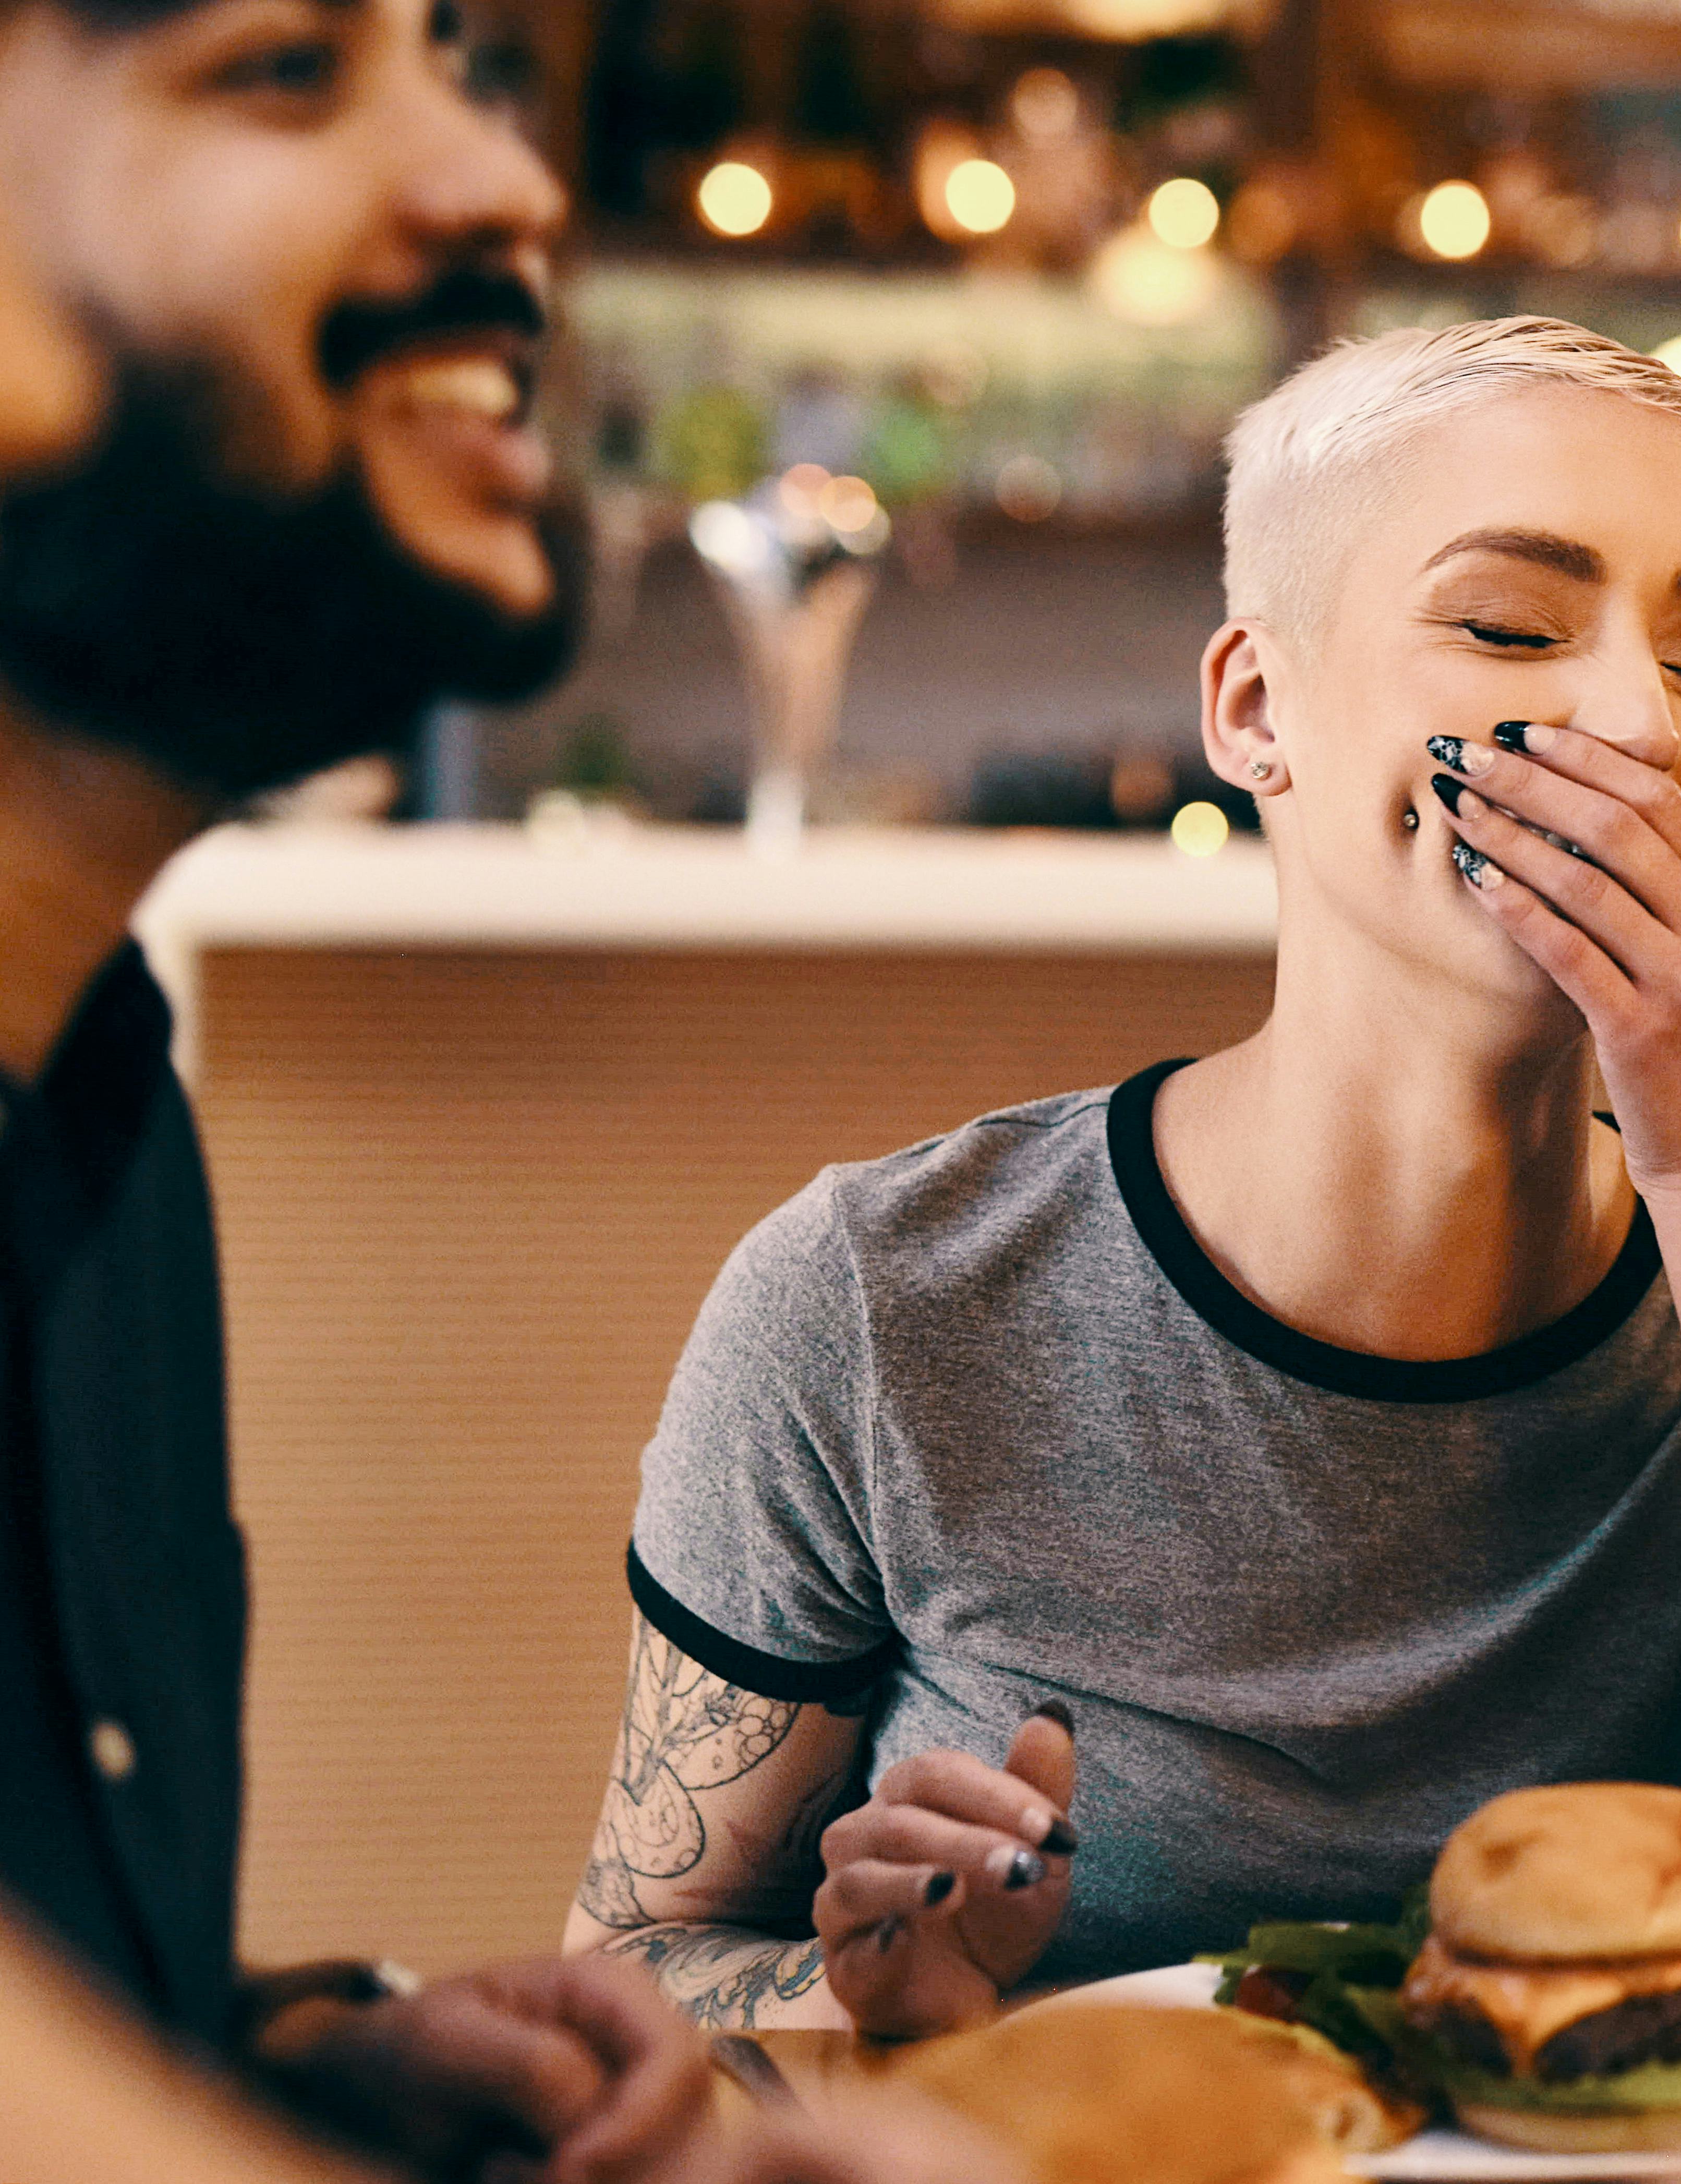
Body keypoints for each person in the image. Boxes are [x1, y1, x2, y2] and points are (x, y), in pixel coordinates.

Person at [567, 317, 1681, 2035]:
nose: (1638, 720)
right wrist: (883, 2014)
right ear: (1258, 710)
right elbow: (630, 1964)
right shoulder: (879, 1301)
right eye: (1511, 627)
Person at [0, 4, 1010, 2177]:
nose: (506, 182)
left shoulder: (95, 1098)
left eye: (455, 59)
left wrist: (294, 2056)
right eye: (286, 67)